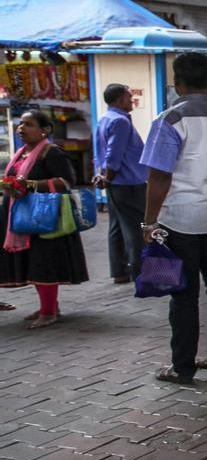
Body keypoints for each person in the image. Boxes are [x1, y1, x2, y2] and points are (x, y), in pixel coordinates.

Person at [139, 53, 207, 384]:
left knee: (183, 293)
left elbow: (159, 176)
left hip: (178, 219)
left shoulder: (169, 120)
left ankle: (182, 366)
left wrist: (149, 222)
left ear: (176, 83)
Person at [0, 110, 89, 327]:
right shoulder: (21, 153)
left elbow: (66, 181)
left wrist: (29, 186)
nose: (21, 128)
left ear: (44, 130)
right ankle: (49, 306)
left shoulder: (52, 153)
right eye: (21, 124)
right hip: (22, 216)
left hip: (45, 218)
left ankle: (49, 312)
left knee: (44, 262)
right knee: (33, 263)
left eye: (28, 124)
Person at [93, 83, 147, 284]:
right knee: (135, 228)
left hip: (117, 182)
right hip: (128, 182)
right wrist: (108, 177)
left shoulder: (105, 119)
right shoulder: (120, 122)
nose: (131, 100)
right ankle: (139, 273)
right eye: (127, 97)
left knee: (116, 227)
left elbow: (101, 152)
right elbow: (113, 154)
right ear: (117, 100)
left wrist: (103, 176)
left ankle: (119, 270)